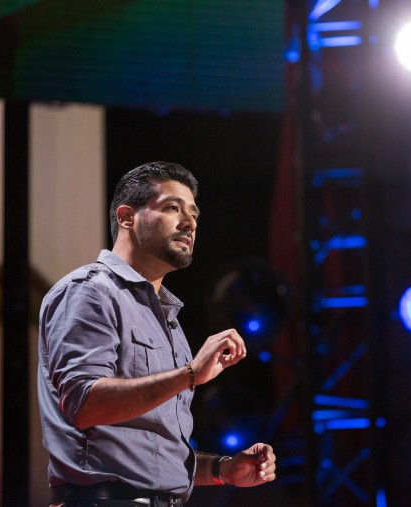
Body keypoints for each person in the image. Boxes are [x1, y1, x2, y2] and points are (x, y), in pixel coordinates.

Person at [37, 161, 277, 507]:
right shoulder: (89, 291)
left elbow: (151, 453)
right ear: (126, 217)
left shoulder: (169, 321)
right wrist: (190, 374)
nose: (189, 222)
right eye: (171, 208)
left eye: (193, 213)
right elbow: (84, 404)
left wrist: (223, 469)